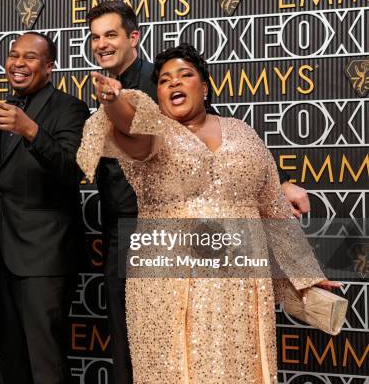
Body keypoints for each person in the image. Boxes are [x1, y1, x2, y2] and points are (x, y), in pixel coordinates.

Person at [76, 44, 339, 383]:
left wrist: (307, 276)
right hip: (168, 282)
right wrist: (113, 102)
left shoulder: (243, 133)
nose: (174, 84)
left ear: (205, 86)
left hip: (240, 285)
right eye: (165, 80)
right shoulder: (156, 133)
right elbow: (130, 130)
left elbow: (272, 207)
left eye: (185, 75)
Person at [0, 32, 90, 384]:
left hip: (45, 256)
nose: (18, 63)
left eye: (29, 57)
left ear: (50, 66)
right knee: (10, 359)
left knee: (46, 363)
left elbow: (72, 168)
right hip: (2, 254)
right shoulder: (4, 110)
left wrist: (31, 130)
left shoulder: (70, 108)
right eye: (13, 55)